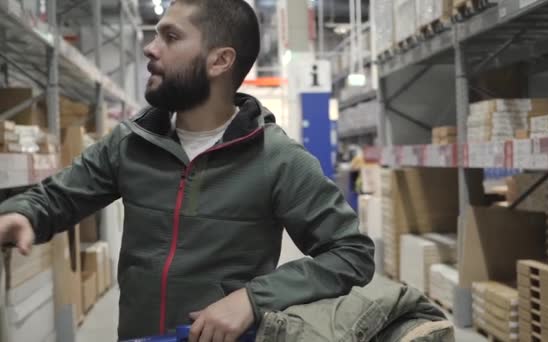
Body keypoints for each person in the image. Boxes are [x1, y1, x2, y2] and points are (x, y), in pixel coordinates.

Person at [0, 1, 375, 341]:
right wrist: (23, 212)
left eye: (171, 36)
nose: (150, 48)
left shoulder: (277, 158)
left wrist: (252, 299)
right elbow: (57, 197)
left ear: (219, 61)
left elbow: (351, 253)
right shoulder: (131, 142)